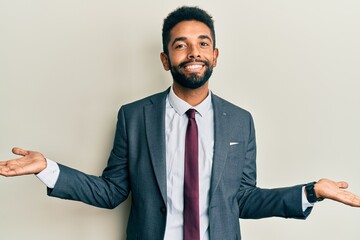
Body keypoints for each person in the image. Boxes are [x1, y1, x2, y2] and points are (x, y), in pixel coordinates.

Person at [0, 6, 359, 240]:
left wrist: (310, 191)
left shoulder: (240, 121)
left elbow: (243, 200)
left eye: (203, 43)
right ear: (165, 58)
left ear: (215, 55)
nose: (193, 53)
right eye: (181, 45)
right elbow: (112, 192)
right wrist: (48, 168)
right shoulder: (134, 117)